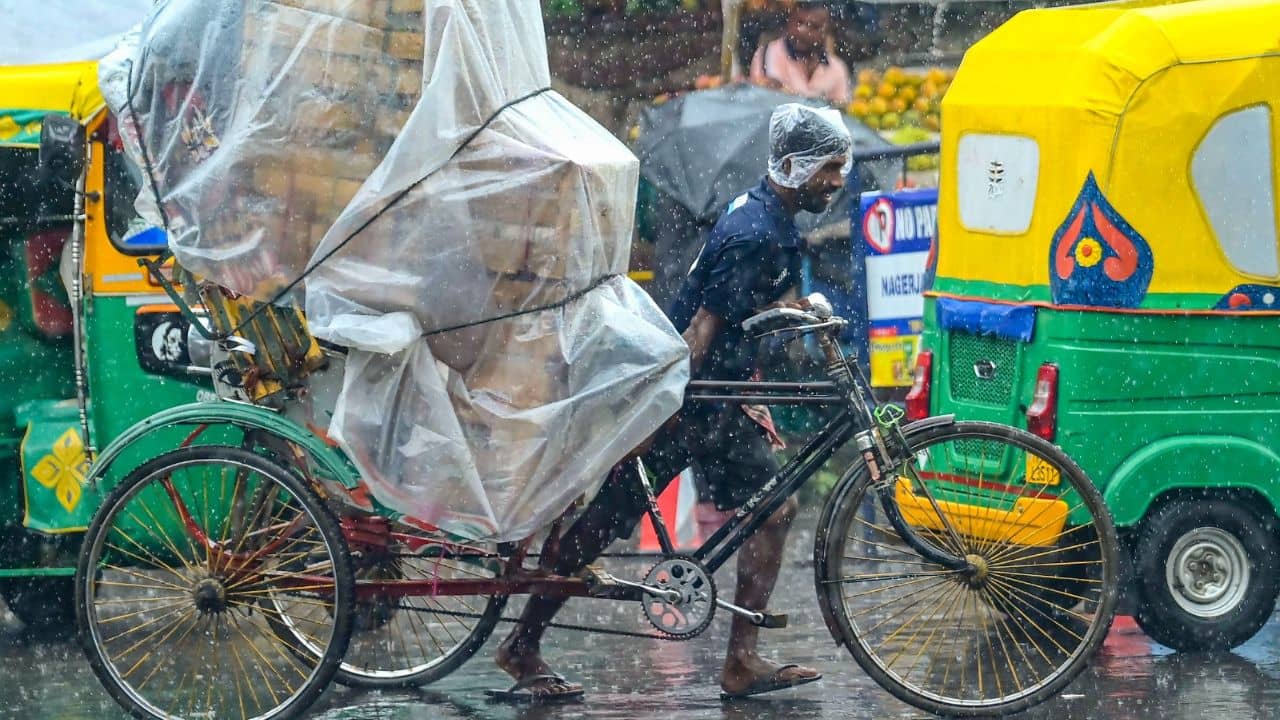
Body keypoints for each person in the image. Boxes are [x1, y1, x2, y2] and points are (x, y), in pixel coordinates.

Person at [489, 104, 852, 703]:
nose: (837, 181)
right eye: (830, 169)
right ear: (795, 166)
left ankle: (740, 660)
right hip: (692, 404)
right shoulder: (754, 233)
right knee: (604, 523)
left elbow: (751, 307)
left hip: (719, 400)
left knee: (773, 510)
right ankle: (523, 643)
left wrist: (797, 315)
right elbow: (702, 331)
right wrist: (654, 418)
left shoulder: (769, 216)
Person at [747, 1, 851, 106]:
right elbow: (761, 103)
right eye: (799, 23)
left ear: (827, 32)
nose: (803, 31)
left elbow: (840, 112)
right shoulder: (768, 53)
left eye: (814, 26)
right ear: (789, 21)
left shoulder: (837, 68)